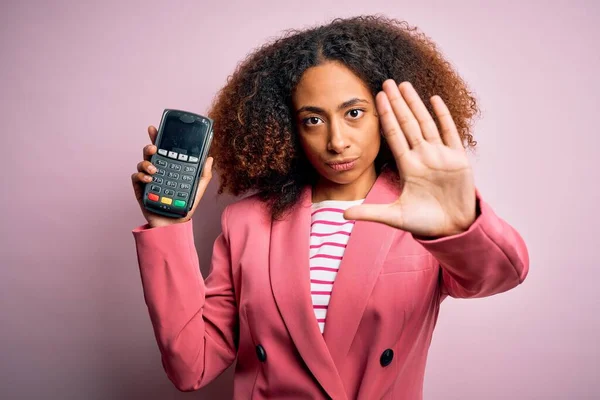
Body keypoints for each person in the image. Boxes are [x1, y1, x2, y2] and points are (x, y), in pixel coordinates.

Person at [130, 15, 529, 400]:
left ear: (383, 114)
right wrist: (167, 225)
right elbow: (190, 366)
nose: (336, 140)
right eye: (313, 120)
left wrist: (459, 225)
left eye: (353, 113)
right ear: (288, 127)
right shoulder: (246, 222)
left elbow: (498, 277)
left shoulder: (422, 213)